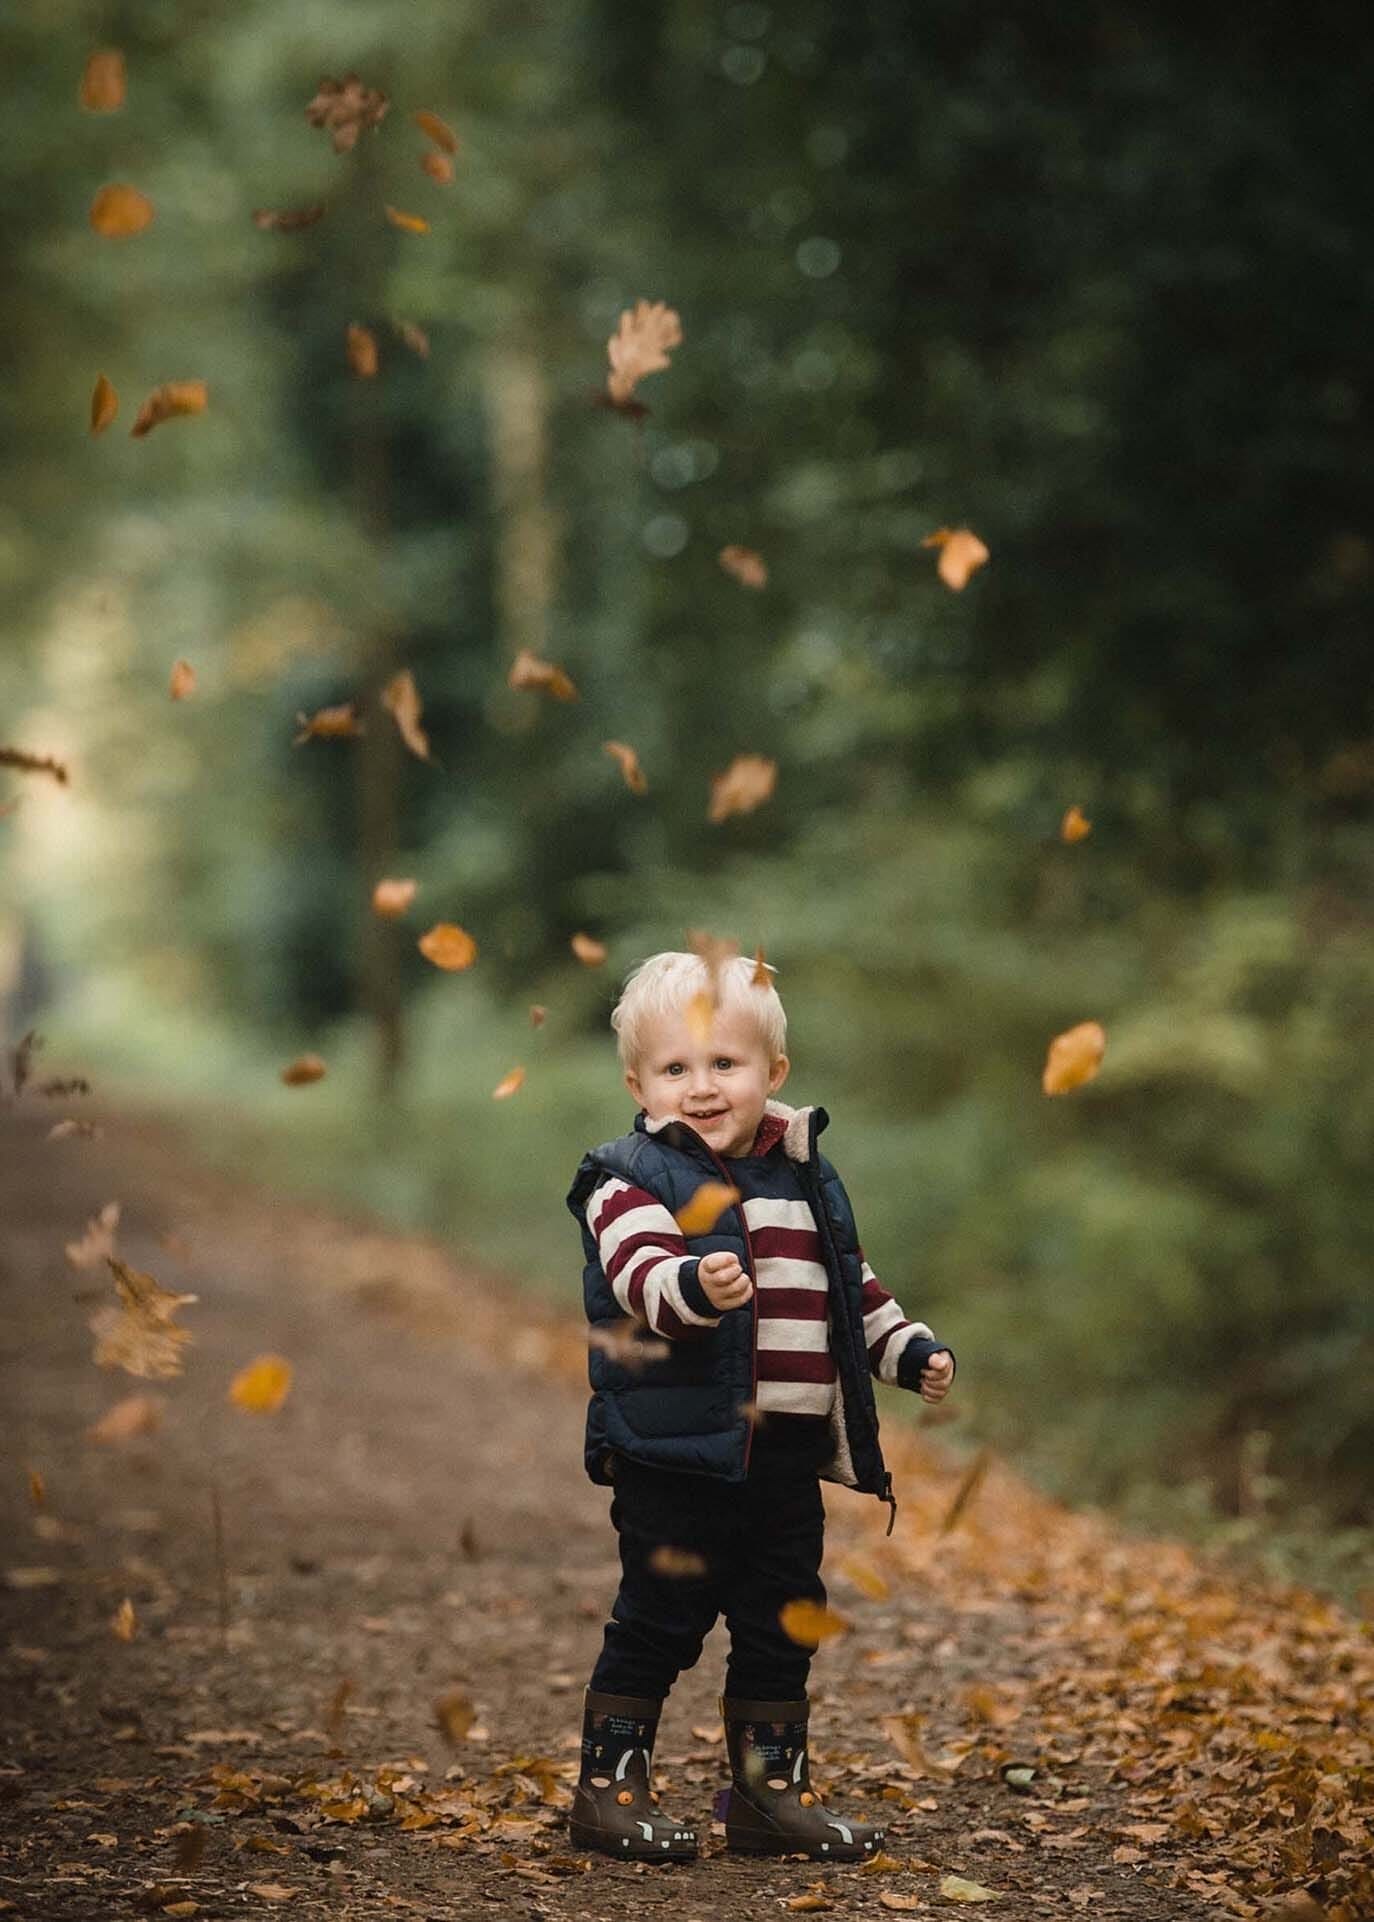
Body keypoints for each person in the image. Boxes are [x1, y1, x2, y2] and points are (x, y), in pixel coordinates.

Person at [566, 950, 957, 1863]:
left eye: (724, 1065)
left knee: (782, 1617)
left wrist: (910, 1350)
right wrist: (694, 1281)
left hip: (782, 1456)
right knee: (662, 1615)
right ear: (639, 1082)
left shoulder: (803, 1178)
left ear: (772, 1074)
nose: (701, 1088)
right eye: (676, 1069)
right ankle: (607, 1788)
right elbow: (639, 1280)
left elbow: (848, 1294)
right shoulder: (627, 1179)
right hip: (680, 1454)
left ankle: (767, 1795)